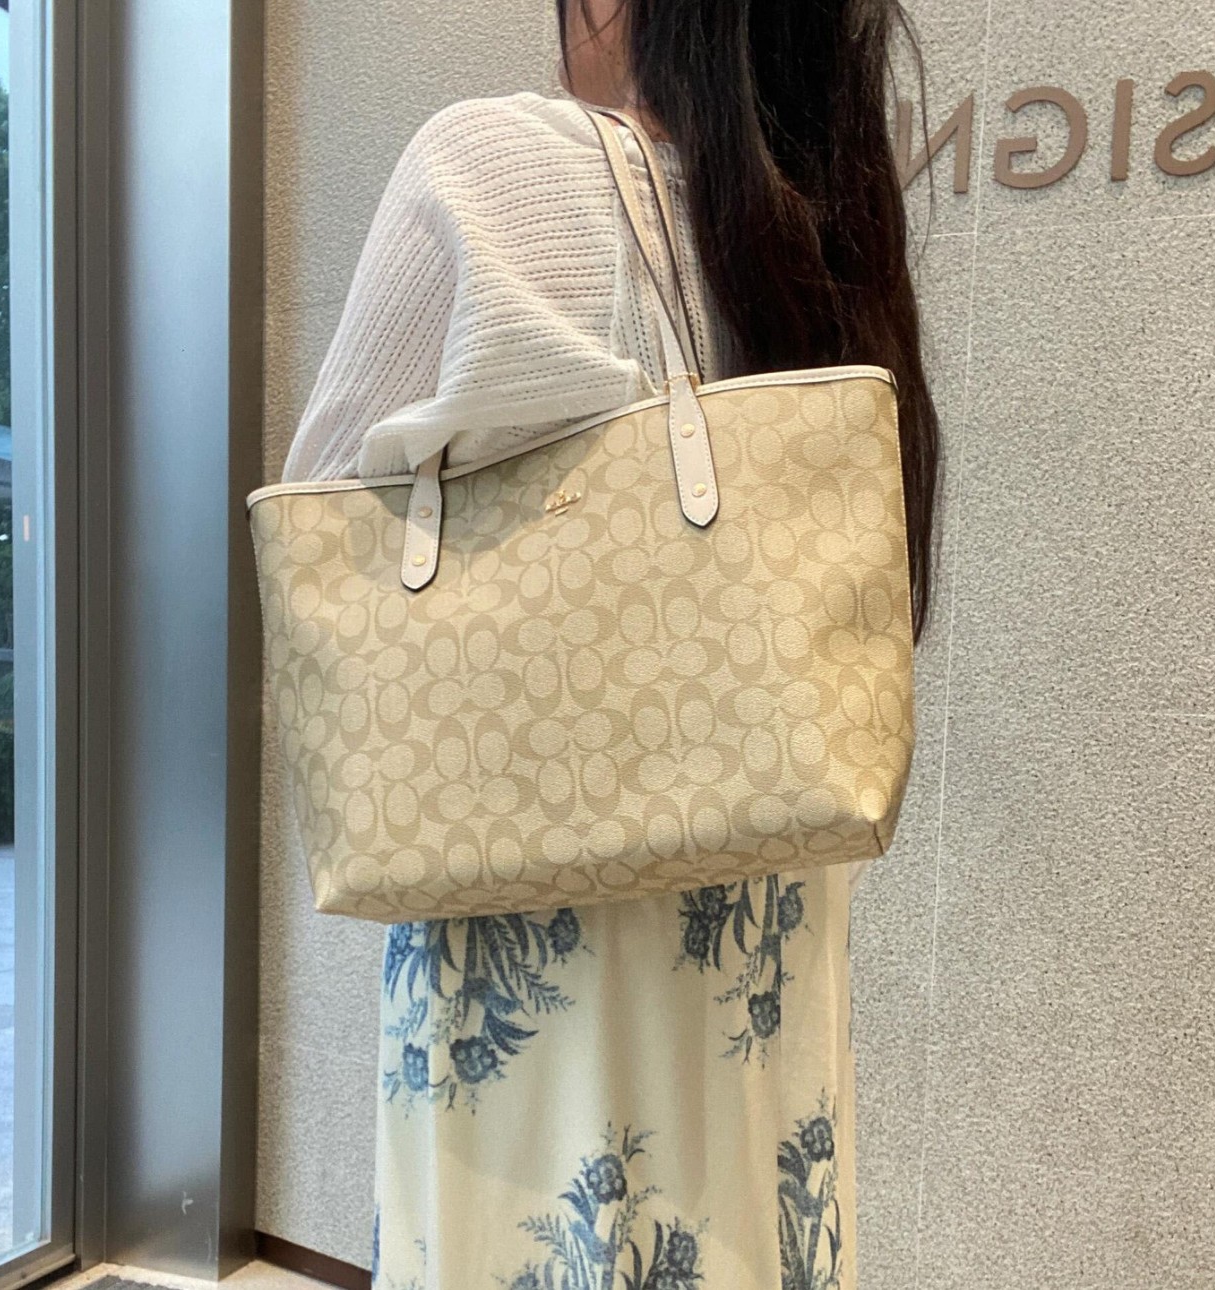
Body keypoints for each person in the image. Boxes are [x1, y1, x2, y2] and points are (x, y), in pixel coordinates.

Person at [281, 0, 941, 1284]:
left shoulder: (492, 164)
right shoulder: (825, 212)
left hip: (521, 912)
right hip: (762, 940)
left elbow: (330, 524)